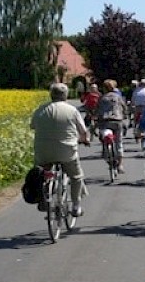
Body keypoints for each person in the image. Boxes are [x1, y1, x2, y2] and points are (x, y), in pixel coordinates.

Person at [30, 82, 90, 216]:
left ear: (51, 94)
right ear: (66, 95)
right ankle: (76, 205)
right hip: (66, 151)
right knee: (76, 176)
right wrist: (85, 139)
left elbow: (32, 126)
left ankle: (44, 195)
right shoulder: (72, 110)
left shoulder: (41, 109)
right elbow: (83, 131)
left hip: (43, 151)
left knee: (42, 172)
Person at [95, 78, 128, 173]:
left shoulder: (102, 98)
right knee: (119, 142)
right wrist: (125, 116)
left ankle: (107, 155)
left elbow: (97, 110)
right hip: (117, 121)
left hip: (105, 122)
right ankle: (120, 165)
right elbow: (124, 107)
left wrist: (95, 118)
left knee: (104, 139)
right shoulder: (118, 97)